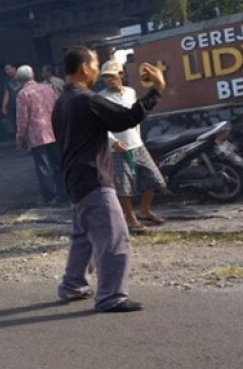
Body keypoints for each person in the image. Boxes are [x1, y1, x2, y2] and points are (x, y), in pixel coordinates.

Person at [52, 47, 165, 313]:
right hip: (93, 177)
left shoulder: (61, 101)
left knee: (84, 236)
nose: (97, 71)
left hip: (74, 178)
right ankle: (110, 297)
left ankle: (72, 285)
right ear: (83, 68)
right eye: (94, 65)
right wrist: (157, 90)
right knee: (115, 238)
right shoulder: (86, 99)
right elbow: (125, 119)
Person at [99, 61, 167, 233]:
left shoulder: (130, 92)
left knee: (154, 179)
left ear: (121, 75)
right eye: (106, 77)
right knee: (124, 187)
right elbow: (100, 126)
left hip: (136, 144)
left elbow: (136, 116)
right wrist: (113, 142)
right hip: (117, 148)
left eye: (112, 76)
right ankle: (130, 218)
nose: (109, 80)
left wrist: (137, 137)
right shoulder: (101, 98)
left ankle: (144, 211)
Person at [15, 65, 67, 205]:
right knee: (57, 164)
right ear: (33, 75)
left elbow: (22, 119)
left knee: (43, 166)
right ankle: (63, 193)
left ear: (19, 79)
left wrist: (20, 138)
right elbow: (57, 108)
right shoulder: (48, 88)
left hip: (36, 135)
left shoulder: (23, 94)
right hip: (53, 131)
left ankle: (49, 197)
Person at [1, 63, 22, 135]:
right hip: (15, 106)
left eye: (8, 69)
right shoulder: (7, 81)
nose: (7, 72)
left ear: (14, 68)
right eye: (6, 70)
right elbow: (7, 94)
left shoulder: (22, 77)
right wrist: (4, 106)